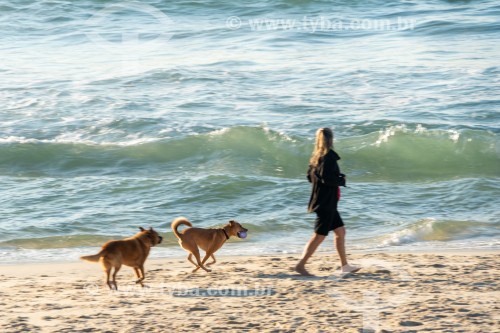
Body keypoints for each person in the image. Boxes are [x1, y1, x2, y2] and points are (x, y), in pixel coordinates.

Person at [295, 127, 360, 276]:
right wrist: (341, 179)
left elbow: (309, 177)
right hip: (326, 204)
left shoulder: (316, 157)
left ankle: (345, 266)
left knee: (340, 231)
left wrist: (327, 181)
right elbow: (327, 179)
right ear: (331, 139)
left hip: (324, 201)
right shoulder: (329, 157)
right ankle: (300, 265)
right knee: (319, 236)